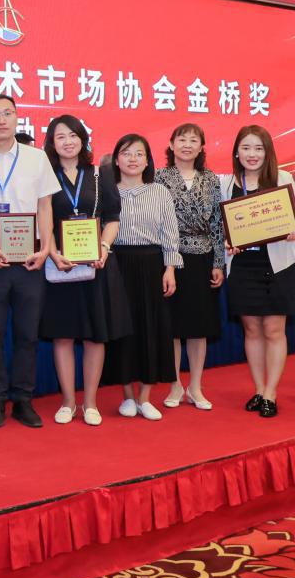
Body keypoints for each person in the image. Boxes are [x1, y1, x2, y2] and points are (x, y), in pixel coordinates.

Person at [0, 94, 58, 429]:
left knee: (27, 333)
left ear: (17, 117)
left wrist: (45, 248)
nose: (1, 120)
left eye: (7, 113)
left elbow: (45, 206)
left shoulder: (37, 158)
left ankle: (23, 400)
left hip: (30, 258)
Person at [41, 115, 128, 427]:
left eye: (73, 135)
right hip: (60, 265)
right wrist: (53, 252)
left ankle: (90, 402)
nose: (68, 142)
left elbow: (113, 217)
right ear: (52, 143)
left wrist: (103, 247)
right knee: (63, 336)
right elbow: (42, 219)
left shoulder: (100, 174)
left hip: (96, 265)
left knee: (95, 336)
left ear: (82, 139)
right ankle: (68, 402)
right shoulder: (45, 176)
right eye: (60, 136)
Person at [219, 125, 295, 418]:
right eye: (246, 148)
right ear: (236, 152)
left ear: (268, 152)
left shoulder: (283, 179)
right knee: (252, 329)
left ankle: (271, 392)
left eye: (258, 148)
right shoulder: (226, 183)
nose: (252, 154)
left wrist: (294, 230)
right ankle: (258, 389)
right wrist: (227, 241)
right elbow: (222, 225)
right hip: (243, 266)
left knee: (274, 329)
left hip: (277, 264)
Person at [105, 134, 181, 421]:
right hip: (117, 264)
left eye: (139, 154)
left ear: (148, 160)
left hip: (152, 265)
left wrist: (170, 268)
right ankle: (127, 396)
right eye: (126, 153)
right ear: (116, 160)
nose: (133, 159)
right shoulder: (108, 192)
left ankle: (145, 397)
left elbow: (170, 233)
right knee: (122, 330)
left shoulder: (160, 192)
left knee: (152, 328)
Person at [154, 124, 225, 411]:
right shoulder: (159, 177)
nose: (187, 145)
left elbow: (217, 222)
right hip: (168, 257)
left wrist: (218, 262)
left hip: (202, 258)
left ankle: (195, 386)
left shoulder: (211, 179)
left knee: (198, 326)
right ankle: (174, 385)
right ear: (171, 144)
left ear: (201, 147)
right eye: (181, 139)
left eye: (193, 140)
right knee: (171, 326)